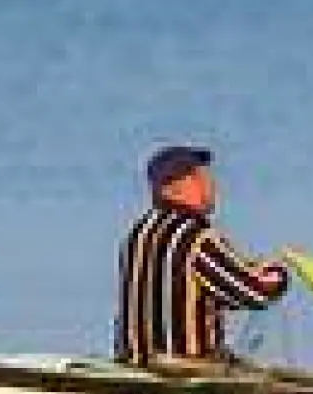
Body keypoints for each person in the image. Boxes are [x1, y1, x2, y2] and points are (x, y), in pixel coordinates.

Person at [115, 145, 289, 368]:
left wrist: (244, 270)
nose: (211, 187)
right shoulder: (197, 238)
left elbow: (198, 282)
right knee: (268, 315)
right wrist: (278, 274)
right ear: (173, 188)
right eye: (199, 178)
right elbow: (254, 292)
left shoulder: (136, 235)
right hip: (185, 368)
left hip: (135, 364)